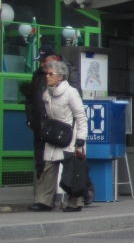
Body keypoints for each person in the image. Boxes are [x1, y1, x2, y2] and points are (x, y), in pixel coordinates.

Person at [27, 60, 88, 213]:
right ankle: (44, 202)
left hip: (70, 137)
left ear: (60, 76)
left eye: (50, 74)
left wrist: (80, 138)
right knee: (49, 168)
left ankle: (74, 203)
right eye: (46, 74)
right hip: (53, 136)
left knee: (72, 170)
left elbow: (81, 117)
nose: (47, 76)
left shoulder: (71, 92)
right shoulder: (47, 93)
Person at [21, 46, 61, 179]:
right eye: (41, 61)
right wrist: (31, 119)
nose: (42, 64)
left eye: (45, 60)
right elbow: (31, 100)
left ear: (54, 59)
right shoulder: (37, 75)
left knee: (58, 162)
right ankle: (43, 197)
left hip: (58, 127)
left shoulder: (65, 73)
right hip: (40, 126)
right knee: (40, 163)